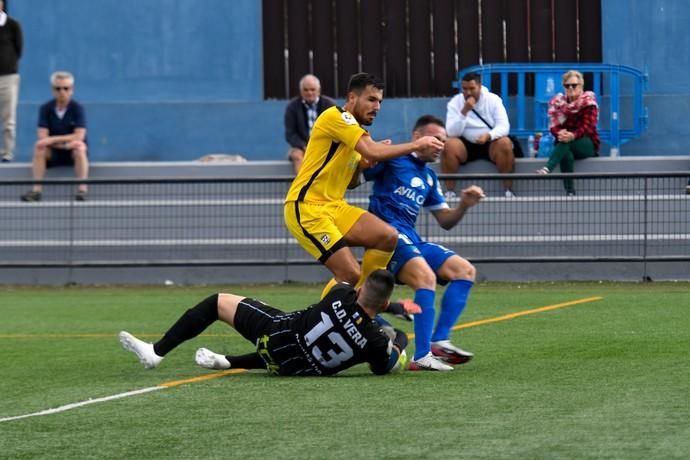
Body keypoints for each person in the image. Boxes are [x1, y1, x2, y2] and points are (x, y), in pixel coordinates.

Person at [284, 73, 445, 295]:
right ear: (352, 97)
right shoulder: (337, 117)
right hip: (306, 207)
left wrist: (364, 165)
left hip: (334, 206)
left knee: (387, 236)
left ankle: (362, 302)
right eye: (371, 99)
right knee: (349, 274)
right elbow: (372, 149)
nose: (377, 106)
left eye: (380, 101)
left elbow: (351, 182)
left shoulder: (357, 133)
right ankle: (325, 319)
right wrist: (416, 145)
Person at [363, 115, 484, 371]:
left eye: (444, 140)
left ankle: (440, 340)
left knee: (465, 271)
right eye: (436, 139)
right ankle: (422, 355)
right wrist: (373, 151)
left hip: (411, 238)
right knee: (426, 278)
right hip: (387, 237)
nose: (441, 145)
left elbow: (445, 221)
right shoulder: (393, 158)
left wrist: (463, 205)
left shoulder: (429, 177)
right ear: (417, 137)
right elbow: (358, 173)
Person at [119, 269, 409, 376]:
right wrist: (399, 338)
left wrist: (389, 307)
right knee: (296, 352)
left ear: (359, 291)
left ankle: (156, 352)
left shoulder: (341, 294)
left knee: (217, 302)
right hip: (292, 369)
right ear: (383, 304)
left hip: (276, 334)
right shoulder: (374, 341)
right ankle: (227, 362)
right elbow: (384, 366)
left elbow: (345, 280)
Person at [442, 72, 516, 198]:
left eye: (472, 88)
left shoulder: (493, 100)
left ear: (480, 86)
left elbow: (504, 127)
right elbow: (451, 132)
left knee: (505, 143)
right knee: (449, 145)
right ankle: (450, 191)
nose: (468, 93)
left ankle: (508, 190)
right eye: (465, 89)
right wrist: (464, 112)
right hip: (464, 144)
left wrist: (489, 135)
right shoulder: (455, 102)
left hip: (490, 143)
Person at [21, 71, 89, 202]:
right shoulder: (45, 108)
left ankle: (82, 190)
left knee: (80, 148)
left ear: (71, 90)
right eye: (58, 88)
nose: (62, 92)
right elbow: (42, 136)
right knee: (39, 147)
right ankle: (36, 191)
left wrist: (52, 139)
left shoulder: (78, 108)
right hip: (54, 151)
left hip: (72, 152)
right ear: (53, 90)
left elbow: (79, 136)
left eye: (66, 88)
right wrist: (63, 143)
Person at [536, 70, 600, 196]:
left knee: (566, 142)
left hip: (585, 142)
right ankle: (570, 191)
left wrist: (572, 135)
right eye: (567, 85)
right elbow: (553, 126)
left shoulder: (589, 103)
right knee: (566, 153)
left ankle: (547, 168)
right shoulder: (558, 103)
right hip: (565, 142)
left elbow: (587, 127)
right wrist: (559, 133)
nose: (570, 88)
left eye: (574, 85)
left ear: (581, 86)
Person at [284, 74, 337, 174]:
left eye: (313, 89)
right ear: (301, 91)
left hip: (324, 146)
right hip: (300, 147)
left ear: (319, 90)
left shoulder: (330, 105)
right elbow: (290, 134)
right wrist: (304, 146)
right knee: (296, 156)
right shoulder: (292, 107)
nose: (309, 93)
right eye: (306, 90)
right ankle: (303, 188)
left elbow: (335, 130)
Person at [0, 0, 23, 163]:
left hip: (8, 77)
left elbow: (19, 48)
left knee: (9, 119)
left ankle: (8, 153)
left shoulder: (13, 25)